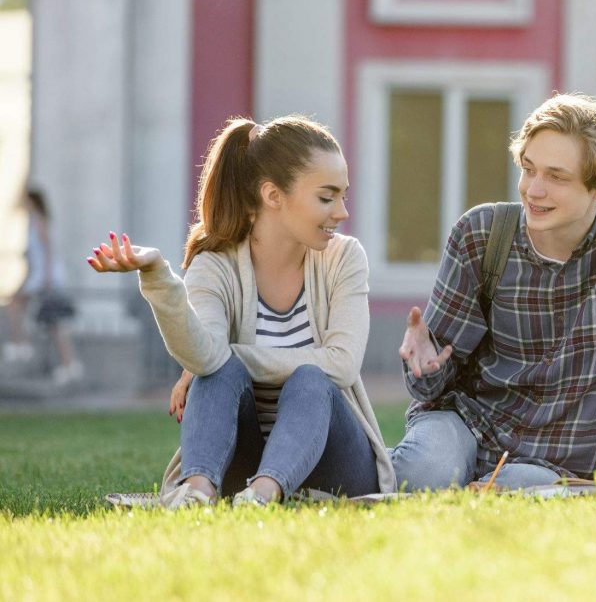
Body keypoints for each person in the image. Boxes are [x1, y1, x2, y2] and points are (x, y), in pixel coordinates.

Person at [88, 116, 394, 506]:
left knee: (310, 380)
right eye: (326, 197)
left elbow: (342, 364)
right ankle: (196, 493)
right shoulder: (214, 264)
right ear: (273, 195)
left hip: (334, 463)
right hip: (242, 456)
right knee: (217, 373)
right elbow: (205, 357)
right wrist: (158, 276)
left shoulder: (344, 259)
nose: (341, 212)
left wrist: (227, 355)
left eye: (342, 196)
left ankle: (262, 496)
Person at [392, 93, 596, 491]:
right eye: (529, 170)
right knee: (419, 475)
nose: (534, 190)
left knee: (520, 494)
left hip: (557, 456)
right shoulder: (482, 233)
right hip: (465, 423)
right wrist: (426, 365)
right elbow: (431, 387)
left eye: (556, 177)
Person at [4, 187, 83, 384]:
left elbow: (48, 251)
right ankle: (67, 364)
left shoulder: (39, 221)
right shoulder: (34, 222)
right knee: (53, 323)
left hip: (45, 278)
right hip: (40, 277)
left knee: (21, 306)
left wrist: (47, 277)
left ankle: (22, 344)